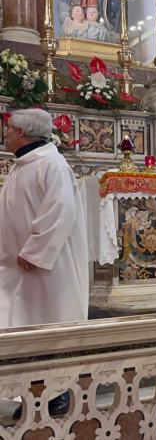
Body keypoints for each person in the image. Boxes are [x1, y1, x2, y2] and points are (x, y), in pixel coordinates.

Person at [0, 109, 88, 328]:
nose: (5, 133)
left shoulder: (52, 164)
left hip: (41, 263)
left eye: (8, 128)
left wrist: (34, 252)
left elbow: (60, 210)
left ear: (21, 131)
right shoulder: (22, 165)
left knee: (48, 318)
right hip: (14, 260)